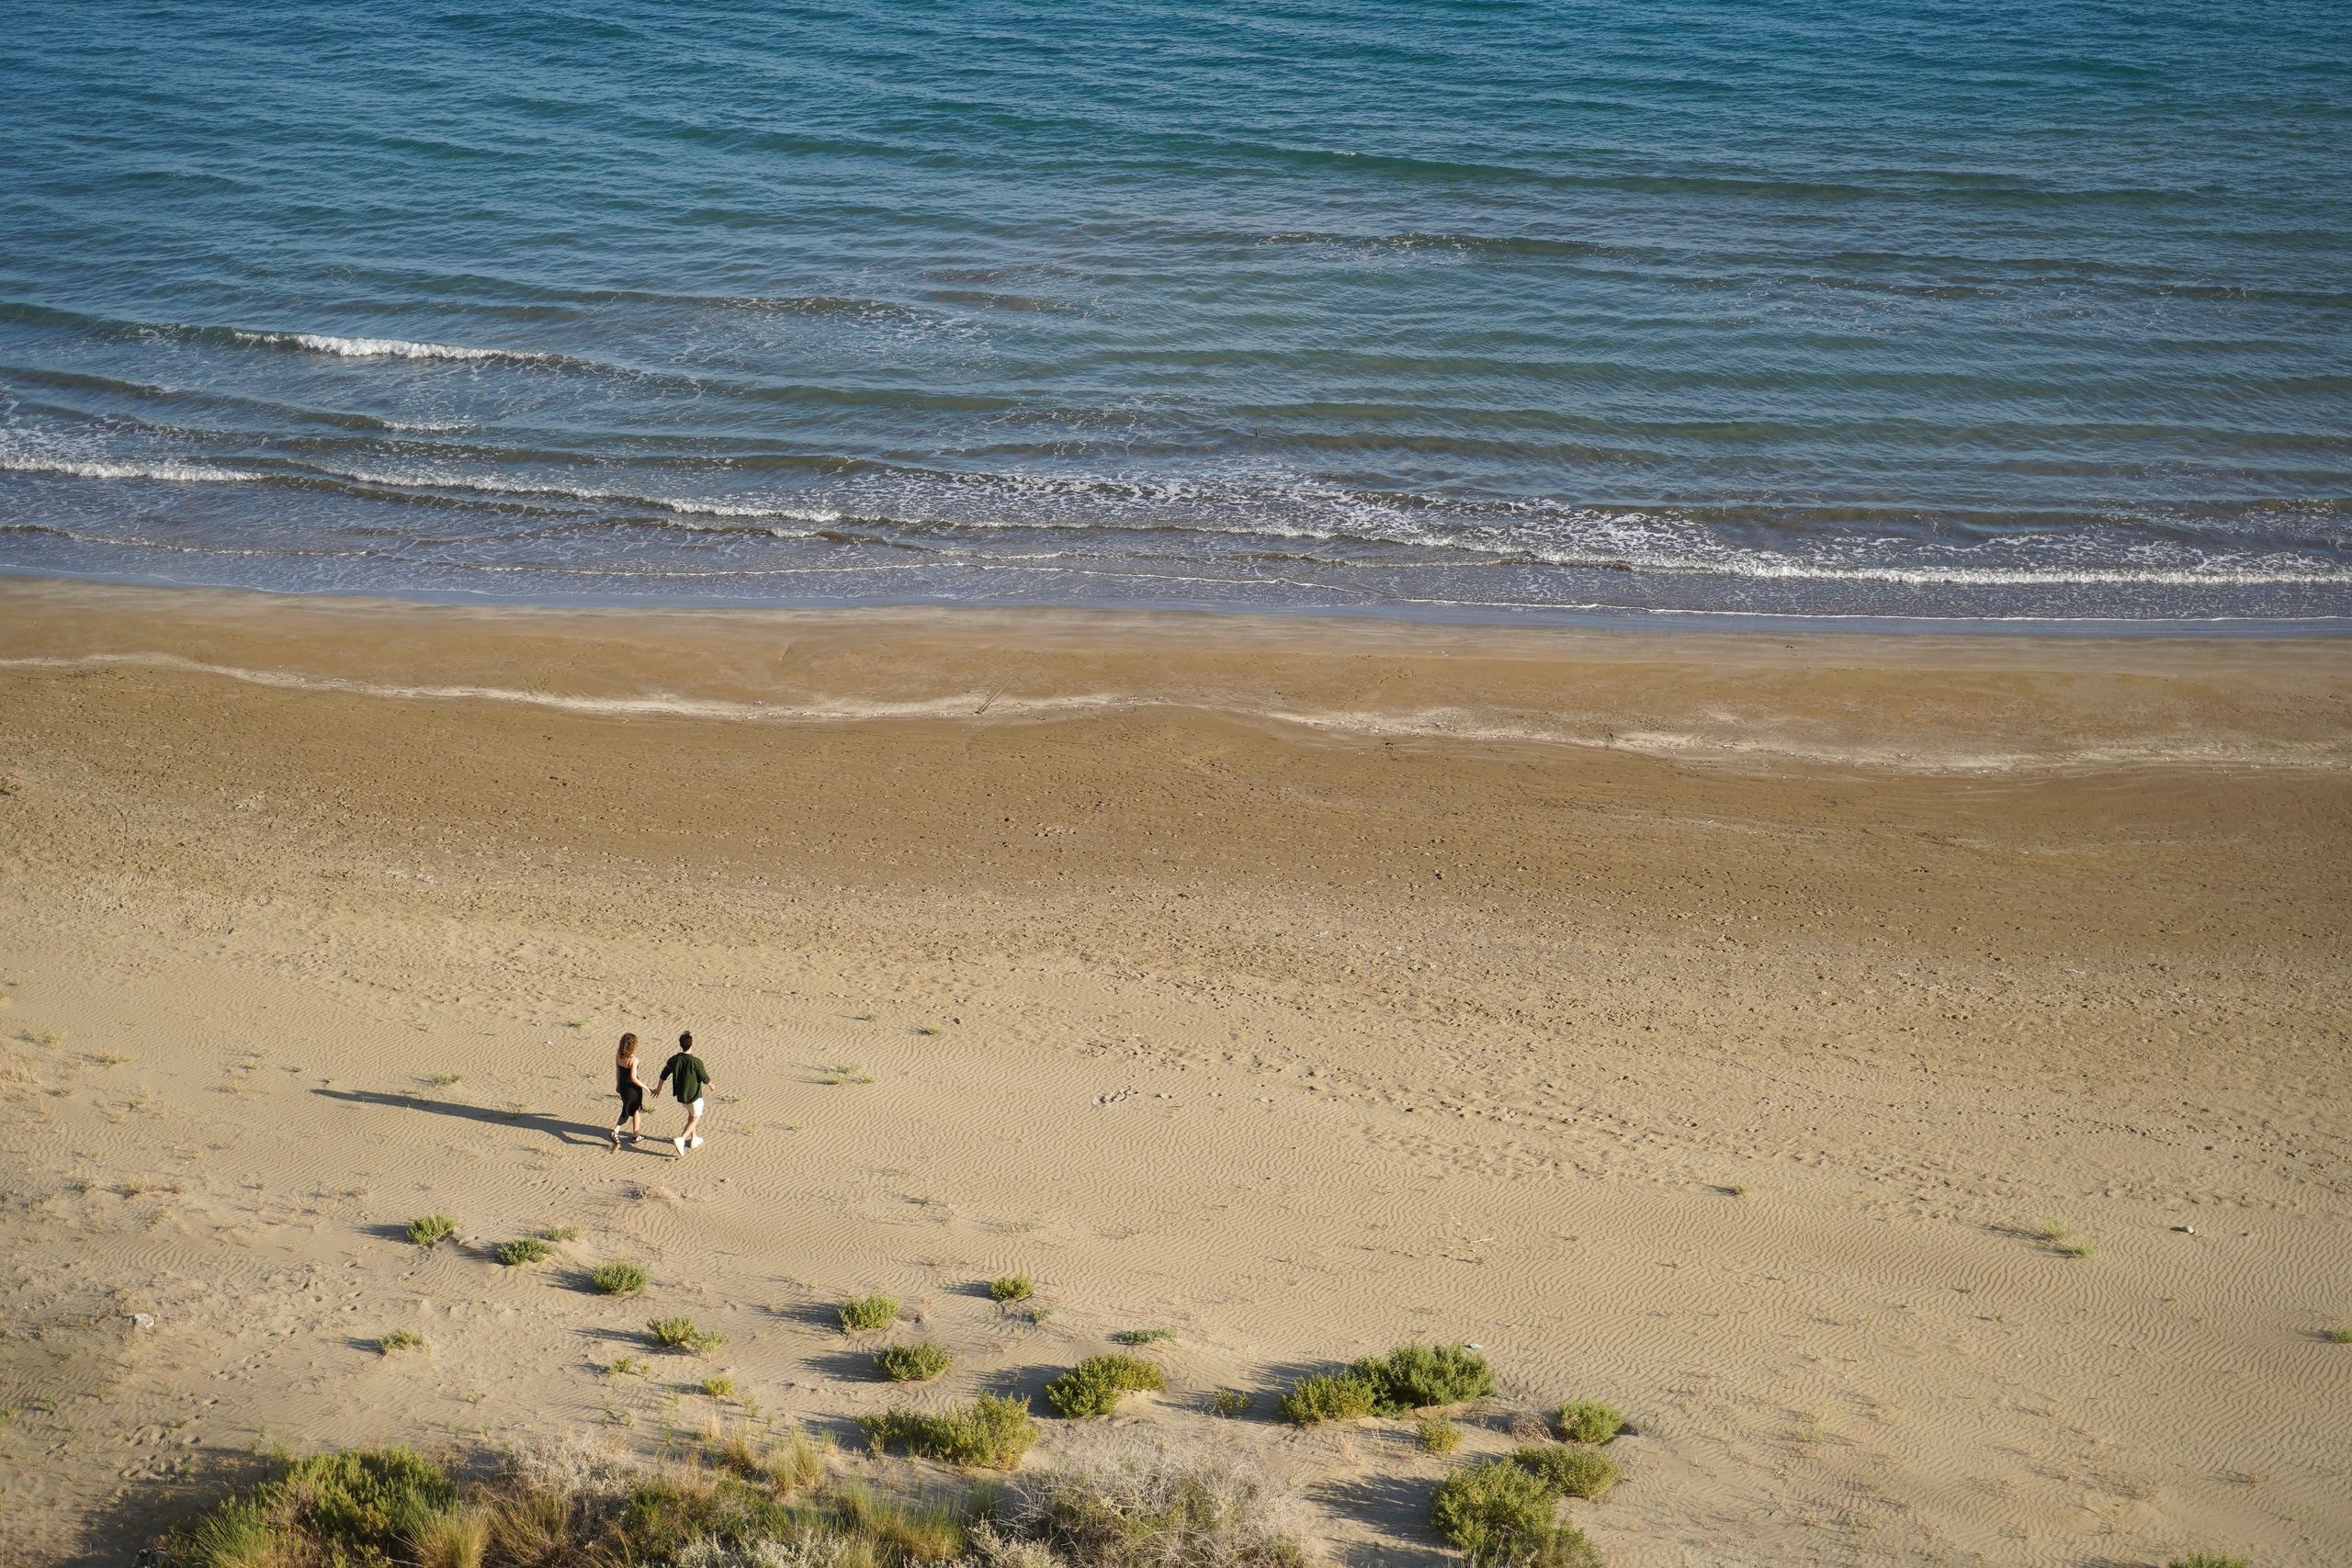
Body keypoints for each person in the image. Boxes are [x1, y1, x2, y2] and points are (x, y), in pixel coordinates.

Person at [656, 1031, 713, 1156]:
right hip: (694, 1096)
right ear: (692, 1044)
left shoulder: (674, 1060)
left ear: (680, 1044)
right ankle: (681, 1139)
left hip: (682, 1097)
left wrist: (658, 1089)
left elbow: (663, 1075)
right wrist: (711, 1085)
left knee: (692, 1115)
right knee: (696, 1118)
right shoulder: (695, 1061)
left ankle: (694, 1139)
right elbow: (704, 1077)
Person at [610, 1032, 648, 1151]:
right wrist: (647, 1088)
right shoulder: (633, 1060)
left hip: (623, 1086)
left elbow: (618, 1072)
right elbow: (633, 1078)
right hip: (633, 1088)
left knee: (633, 1109)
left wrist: (617, 1085)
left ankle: (635, 1136)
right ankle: (616, 1131)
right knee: (630, 1110)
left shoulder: (619, 1056)